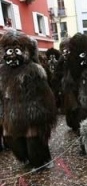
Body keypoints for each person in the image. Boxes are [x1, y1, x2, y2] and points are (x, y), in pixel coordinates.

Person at [0, 31, 57, 169]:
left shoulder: (33, 71)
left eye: (16, 50)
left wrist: (38, 113)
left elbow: (43, 94)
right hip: (10, 113)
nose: (12, 55)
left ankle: (41, 161)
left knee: (34, 140)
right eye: (9, 51)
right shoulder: (2, 71)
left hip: (30, 113)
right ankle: (25, 158)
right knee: (13, 141)